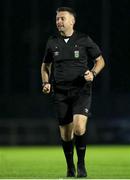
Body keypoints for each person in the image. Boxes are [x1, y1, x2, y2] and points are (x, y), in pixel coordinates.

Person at [41, 7, 105, 178]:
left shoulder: (84, 39)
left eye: (62, 18)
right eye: (57, 19)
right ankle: (70, 167)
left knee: (79, 127)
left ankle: (81, 164)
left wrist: (92, 73)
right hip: (60, 93)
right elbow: (45, 66)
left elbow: (100, 60)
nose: (58, 22)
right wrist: (46, 82)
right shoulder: (52, 42)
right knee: (66, 134)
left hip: (81, 91)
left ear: (72, 21)